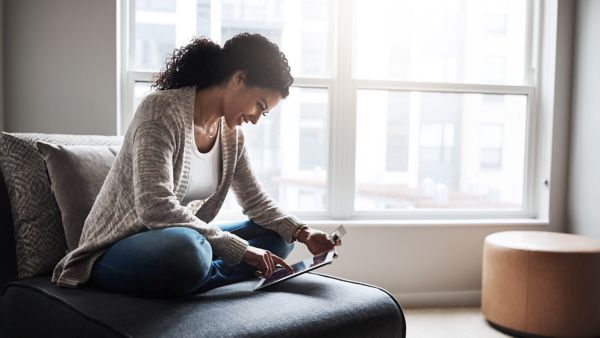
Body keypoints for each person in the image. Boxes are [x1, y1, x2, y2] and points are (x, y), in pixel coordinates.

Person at [51, 33, 341, 297]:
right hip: (117, 248)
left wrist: (303, 232)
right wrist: (240, 251)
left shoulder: (231, 136)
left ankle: (198, 276)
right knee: (189, 252)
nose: (255, 118)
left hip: (180, 238)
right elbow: (156, 207)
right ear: (238, 78)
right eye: (259, 105)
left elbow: (256, 201)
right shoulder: (161, 111)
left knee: (278, 238)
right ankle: (204, 272)